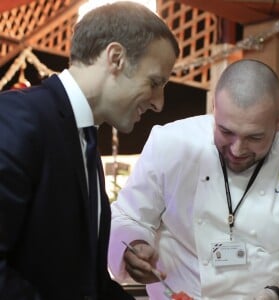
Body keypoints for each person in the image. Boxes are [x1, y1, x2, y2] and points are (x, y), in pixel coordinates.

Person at [0, 1, 179, 299]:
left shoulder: (84, 141)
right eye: (155, 82)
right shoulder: (18, 119)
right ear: (116, 58)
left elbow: (86, 284)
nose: (159, 103)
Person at [108, 59, 279, 300]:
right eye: (226, 132)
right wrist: (134, 246)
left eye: (255, 137)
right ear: (214, 109)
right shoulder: (171, 143)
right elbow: (128, 215)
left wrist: (278, 294)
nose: (238, 149)